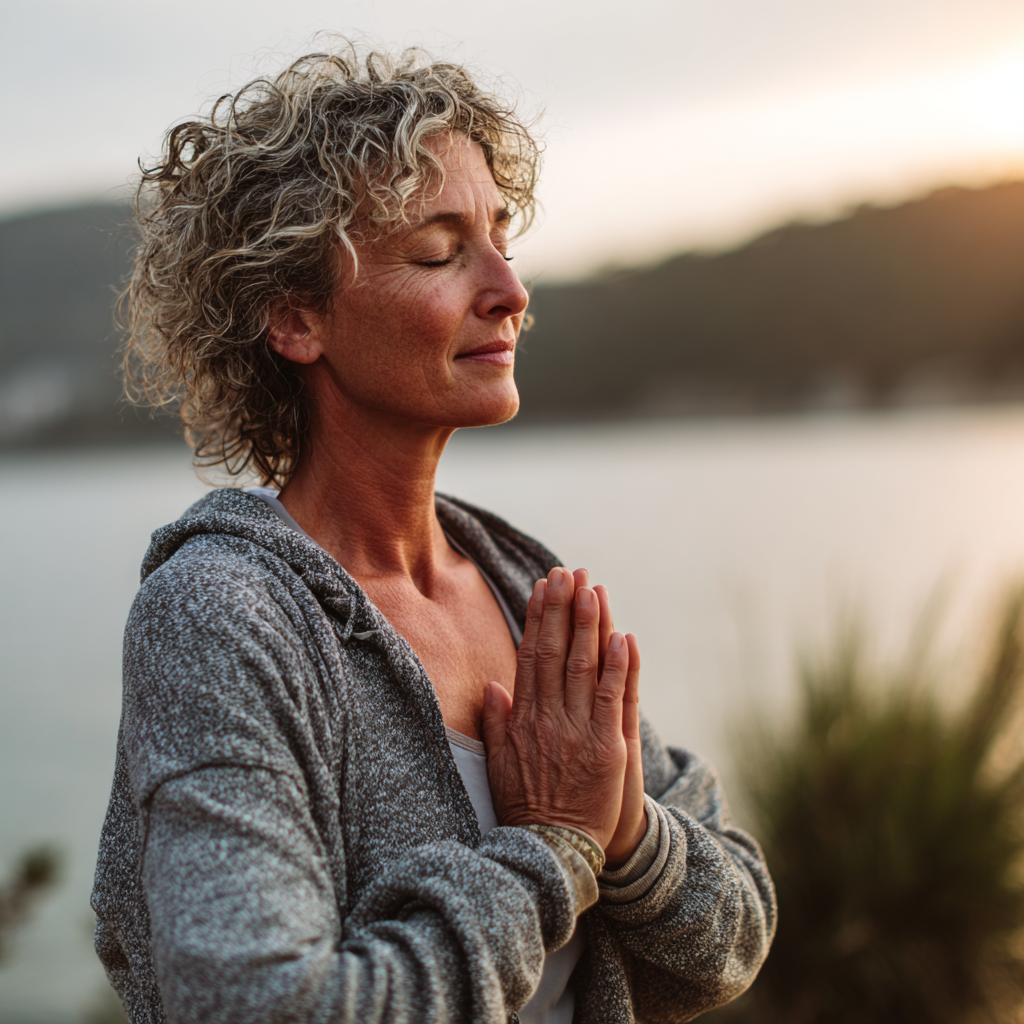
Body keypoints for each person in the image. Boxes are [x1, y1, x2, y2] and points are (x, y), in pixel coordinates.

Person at [91, 45, 776, 1024]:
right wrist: (554, 852)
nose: (507, 287)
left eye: (500, 239)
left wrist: (620, 828)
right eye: (439, 252)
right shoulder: (223, 614)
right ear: (295, 317)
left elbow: (727, 943)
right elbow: (262, 1008)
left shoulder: (518, 581)